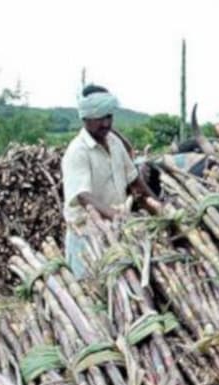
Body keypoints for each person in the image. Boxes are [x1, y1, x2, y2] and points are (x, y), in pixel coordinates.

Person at [61, 85, 154, 278]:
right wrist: (116, 216)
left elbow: (135, 180)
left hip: (117, 231)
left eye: (109, 116)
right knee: (91, 291)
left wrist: (159, 207)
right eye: (99, 118)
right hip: (87, 236)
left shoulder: (114, 142)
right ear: (85, 118)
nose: (105, 123)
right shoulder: (77, 152)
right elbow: (83, 196)